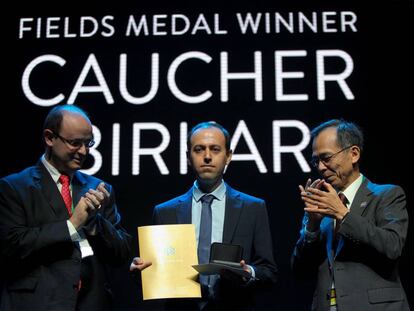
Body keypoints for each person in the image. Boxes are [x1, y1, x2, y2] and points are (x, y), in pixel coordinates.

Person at [130, 121, 277, 311]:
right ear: (188, 157)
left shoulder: (253, 208)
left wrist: (247, 272)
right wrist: (140, 273)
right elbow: (157, 277)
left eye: (215, 149)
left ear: (228, 156)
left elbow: (269, 272)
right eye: (199, 149)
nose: (207, 156)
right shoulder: (165, 212)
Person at [0, 104, 131, 311]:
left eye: (89, 143)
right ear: (50, 138)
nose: (84, 151)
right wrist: (72, 224)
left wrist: (96, 224)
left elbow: (122, 253)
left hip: (91, 302)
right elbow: (12, 245)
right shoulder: (14, 187)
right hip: (38, 302)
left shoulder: (98, 188)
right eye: (75, 143)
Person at [291, 119, 410, 311]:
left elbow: (393, 246)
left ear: (354, 154)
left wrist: (343, 214)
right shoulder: (321, 203)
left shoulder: (386, 195)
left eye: (326, 158)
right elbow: (300, 271)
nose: (320, 167)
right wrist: (312, 227)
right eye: (316, 160)